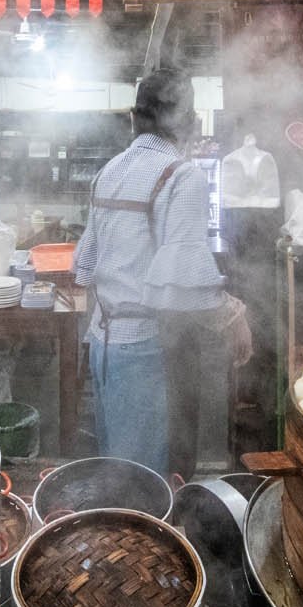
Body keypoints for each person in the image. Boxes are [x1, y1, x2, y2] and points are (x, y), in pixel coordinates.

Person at [73, 68, 253, 477]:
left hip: (103, 344)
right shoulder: (181, 175)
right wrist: (232, 316)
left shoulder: (109, 171)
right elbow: (184, 283)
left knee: (117, 472)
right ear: (184, 120)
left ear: (136, 118)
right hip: (148, 351)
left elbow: (84, 265)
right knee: (151, 483)